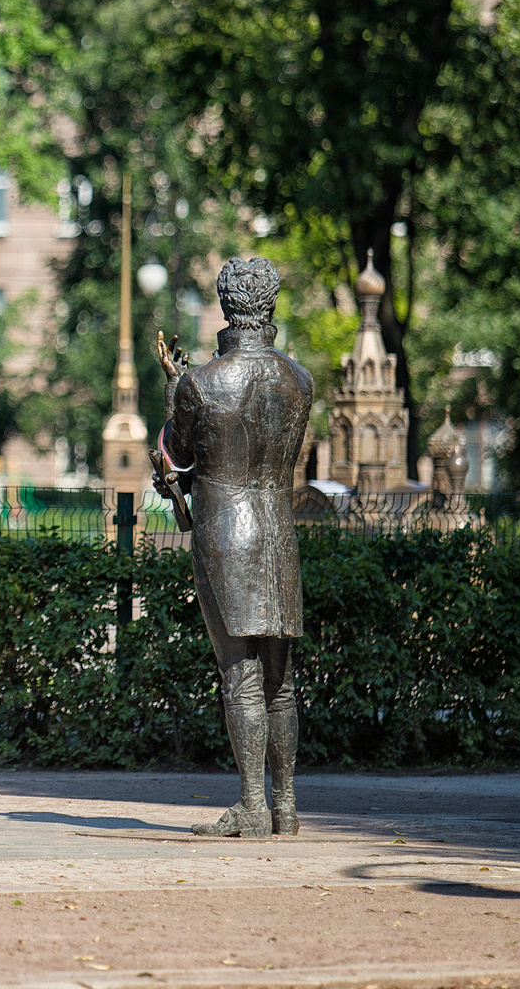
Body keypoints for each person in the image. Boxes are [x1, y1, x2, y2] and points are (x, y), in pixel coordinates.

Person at [156, 256, 312, 839]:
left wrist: (174, 387)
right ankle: (286, 805)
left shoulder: (200, 382)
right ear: (269, 303)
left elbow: (177, 455)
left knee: (240, 675)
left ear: (225, 305)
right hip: (277, 533)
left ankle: (252, 805)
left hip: (226, 535)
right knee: (281, 680)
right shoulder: (300, 380)